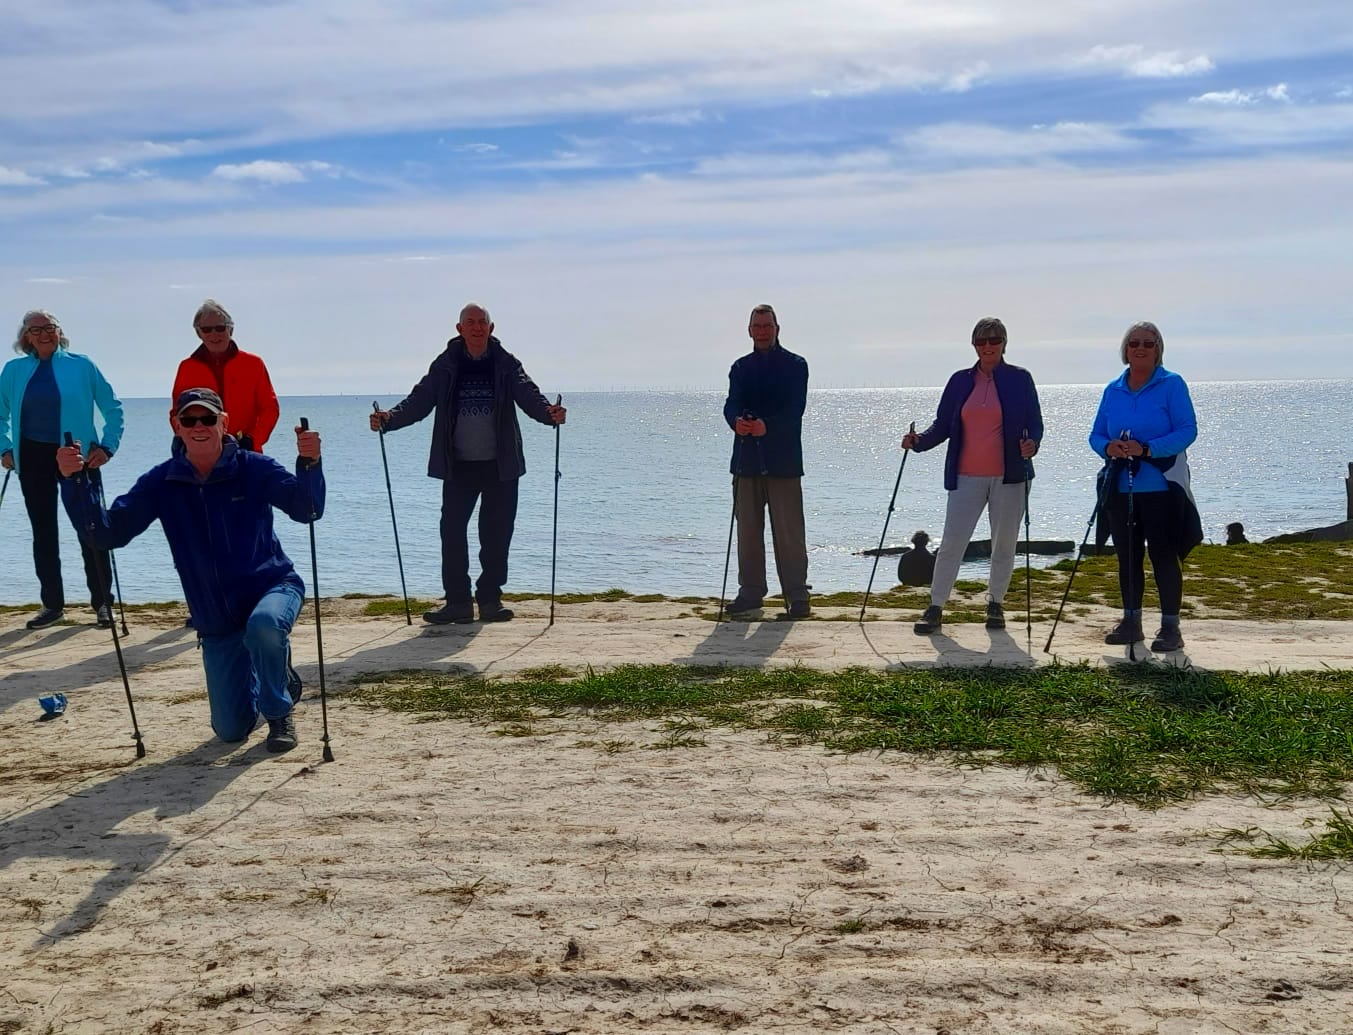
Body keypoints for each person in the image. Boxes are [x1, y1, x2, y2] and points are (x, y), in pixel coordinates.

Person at [58, 388, 323, 753]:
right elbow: (106, 534)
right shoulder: (161, 481)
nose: (199, 426)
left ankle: (279, 713)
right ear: (176, 425)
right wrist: (73, 483)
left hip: (273, 588)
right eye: (189, 419)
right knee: (230, 731)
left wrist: (310, 463)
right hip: (215, 620)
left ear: (224, 423)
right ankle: (272, 670)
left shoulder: (255, 468)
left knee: (263, 627)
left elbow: (306, 509)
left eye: (208, 418)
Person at [371, 303, 565, 625]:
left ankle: (490, 600)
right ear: (459, 328)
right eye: (470, 323)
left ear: (491, 328)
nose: (476, 328)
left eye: (482, 322)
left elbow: (528, 394)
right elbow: (420, 400)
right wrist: (389, 419)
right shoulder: (446, 364)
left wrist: (549, 414)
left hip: (501, 465)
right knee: (452, 532)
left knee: (496, 534)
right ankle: (458, 603)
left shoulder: (505, 363)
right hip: (458, 465)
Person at [902, 317, 1042, 635]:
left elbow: (1036, 423)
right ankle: (935, 607)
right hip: (966, 476)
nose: (988, 346)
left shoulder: (1020, 379)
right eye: (982, 341)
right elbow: (943, 425)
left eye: (994, 340)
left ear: (1005, 343)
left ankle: (995, 605)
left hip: (1011, 477)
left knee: (1004, 545)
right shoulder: (960, 381)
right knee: (952, 544)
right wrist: (918, 441)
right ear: (974, 345)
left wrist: (1032, 444)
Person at [0, 310, 123, 630]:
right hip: (32, 457)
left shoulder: (82, 365)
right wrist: (5, 448)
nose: (44, 334)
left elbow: (113, 408)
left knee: (91, 530)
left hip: (77, 455)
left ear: (59, 331)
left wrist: (107, 447)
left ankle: (102, 604)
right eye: (35, 329)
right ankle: (52, 605)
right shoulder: (13, 370)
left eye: (49, 328)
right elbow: (0, 415)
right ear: (25, 336)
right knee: (44, 534)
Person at [1088, 321, 1200, 654]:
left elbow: (1187, 431)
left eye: (1148, 344)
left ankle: (1170, 627)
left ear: (1158, 349)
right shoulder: (1113, 389)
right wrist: (1109, 447)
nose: (1140, 348)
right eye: (1134, 342)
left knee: (1164, 556)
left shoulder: (1172, 384)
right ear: (1125, 349)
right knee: (1128, 557)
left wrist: (1147, 448)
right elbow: (1096, 434)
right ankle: (1131, 622)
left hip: (1162, 487)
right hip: (1121, 487)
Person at [722, 304, 811, 619]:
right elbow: (731, 403)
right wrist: (736, 421)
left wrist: (767, 426)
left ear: (777, 328)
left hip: (783, 461)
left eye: (767, 325)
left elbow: (795, 409)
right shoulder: (740, 367)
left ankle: (798, 597)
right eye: (757, 326)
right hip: (745, 459)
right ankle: (750, 594)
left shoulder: (796, 365)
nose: (762, 331)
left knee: (788, 533)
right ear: (749, 330)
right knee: (747, 531)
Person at [171, 299, 280, 452]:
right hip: (200, 452)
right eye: (207, 329)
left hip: (245, 451)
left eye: (220, 328)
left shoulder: (253, 364)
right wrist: (188, 439)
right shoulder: (187, 368)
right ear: (199, 333)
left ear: (230, 330)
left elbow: (270, 409)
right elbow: (177, 413)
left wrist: (253, 440)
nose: (214, 334)